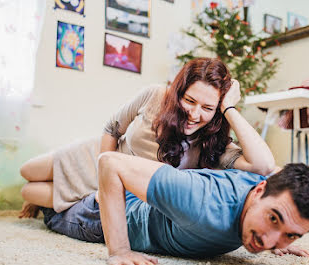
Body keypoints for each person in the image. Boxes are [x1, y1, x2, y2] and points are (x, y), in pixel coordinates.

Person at [19, 58, 275, 218]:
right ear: (178, 93)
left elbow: (262, 165)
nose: (195, 114)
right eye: (189, 101)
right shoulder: (155, 95)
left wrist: (230, 109)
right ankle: (51, 199)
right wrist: (101, 180)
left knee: (29, 192)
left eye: (208, 108)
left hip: (122, 187)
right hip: (99, 158)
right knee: (27, 171)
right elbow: (111, 129)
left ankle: (46, 206)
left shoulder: (214, 143)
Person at [39, 152, 309, 265]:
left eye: (290, 235)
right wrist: (119, 251)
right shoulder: (200, 203)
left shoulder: (272, 188)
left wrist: (282, 236)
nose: (268, 242)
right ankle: (46, 189)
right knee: (46, 207)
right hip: (97, 216)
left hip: (138, 195)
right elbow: (109, 162)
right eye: (273, 219)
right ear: (258, 192)